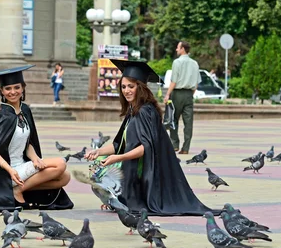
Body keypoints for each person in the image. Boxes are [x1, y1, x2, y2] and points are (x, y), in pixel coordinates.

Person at [86, 60, 217, 216]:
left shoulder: (145, 111)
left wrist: (118, 158)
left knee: (103, 180)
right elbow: (119, 144)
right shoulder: (132, 110)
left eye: (131, 86)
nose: (126, 91)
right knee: (97, 174)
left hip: (146, 174)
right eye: (123, 87)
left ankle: (122, 197)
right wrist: (98, 152)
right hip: (133, 168)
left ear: (140, 87)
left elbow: (145, 148)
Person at [0, 65, 73, 213]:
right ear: (2, 91)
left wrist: (34, 159)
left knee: (64, 178)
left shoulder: (25, 110)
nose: (13, 92)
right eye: (8, 88)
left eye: (16, 87)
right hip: (11, 171)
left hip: (24, 164)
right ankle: (16, 190)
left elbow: (27, 143)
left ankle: (22, 189)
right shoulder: (4, 116)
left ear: (23, 88)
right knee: (60, 164)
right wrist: (10, 170)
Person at [163, 41, 200, 154]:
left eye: (178, 47)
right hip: (189, 94)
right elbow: (196, 83)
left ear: (183, 49)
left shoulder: (177, 62)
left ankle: (174, 144)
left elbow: (174, 81)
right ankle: (186, 148)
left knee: (173, 119)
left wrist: (168, 94)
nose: (176, 49)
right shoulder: (195, 63)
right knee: (188, 122)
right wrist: (190, 94)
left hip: (177, 93)